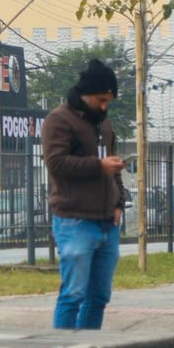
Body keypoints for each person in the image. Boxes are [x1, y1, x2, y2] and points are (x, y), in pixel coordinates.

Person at [42, 58, 127, 330]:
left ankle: (89, 347)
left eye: (108, 102)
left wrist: (119, 202)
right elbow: (56, 163)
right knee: (73, 295)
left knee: (99, 297)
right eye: (100, 100)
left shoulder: (105, 124)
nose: (104, 107)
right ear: (85, 93)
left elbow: (112, 167)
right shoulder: (59, 120)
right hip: (75, 221)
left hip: (107, 223)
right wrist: (98, 166)